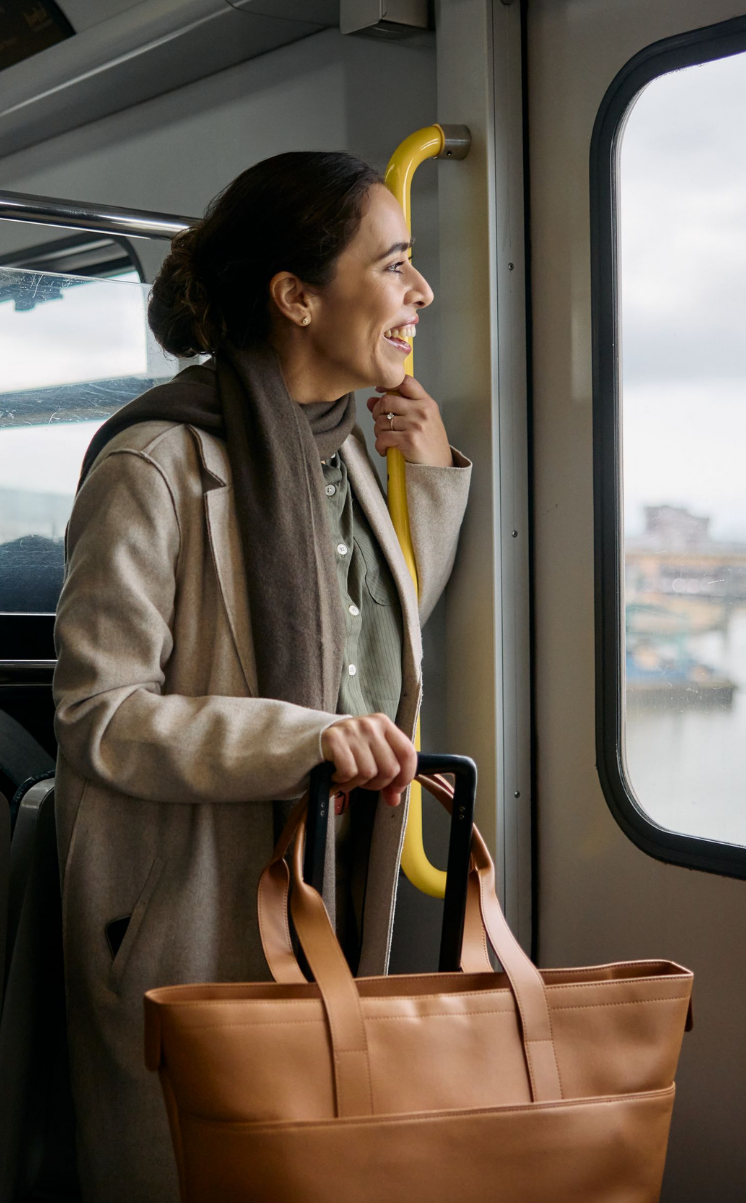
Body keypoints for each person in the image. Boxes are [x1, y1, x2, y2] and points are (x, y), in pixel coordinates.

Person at [52, 151, 471, 1203]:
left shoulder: (335, 457)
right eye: (396, 263)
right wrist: (306, 742)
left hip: (314, 899)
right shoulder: (155, 464)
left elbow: (363, 641)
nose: (421, 292)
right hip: (184, 911)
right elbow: (98, 715)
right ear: (295, 296)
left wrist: (426, 479)